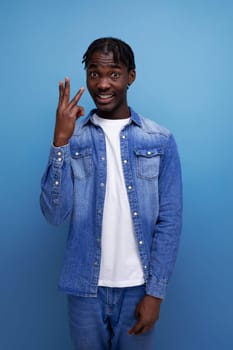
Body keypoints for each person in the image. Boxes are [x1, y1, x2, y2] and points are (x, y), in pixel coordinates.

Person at [40, 37, 182, 350]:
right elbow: (54, 214)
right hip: (84, 288)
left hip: (137, 287)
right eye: (94, 74)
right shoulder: (73, 138)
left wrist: (155, 293)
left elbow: (169, 221)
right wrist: (60, 142)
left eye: (114, 74)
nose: (103, 84)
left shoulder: (160, 139)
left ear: (131, 76)